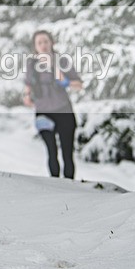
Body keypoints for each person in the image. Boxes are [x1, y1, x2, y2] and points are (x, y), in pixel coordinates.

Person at [23, 30, 83, 179]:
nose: (43, 45)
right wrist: (27, 96)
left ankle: (70, 186)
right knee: (51, 150)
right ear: (35, 46)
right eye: (39, 43)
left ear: (52, 43)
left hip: (64, 111)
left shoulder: (62, 61)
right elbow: (28, 85)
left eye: (45, 42)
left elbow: (78, 85)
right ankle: (55, 186)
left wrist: (60, 75)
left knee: (67, 153)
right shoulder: (31, 64)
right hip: (43, 112)